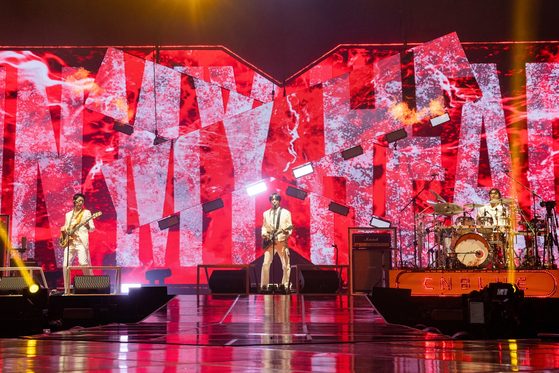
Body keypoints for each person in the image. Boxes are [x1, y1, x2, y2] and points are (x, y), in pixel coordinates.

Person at [61, 193, 95, 293]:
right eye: (78, 201)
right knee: (65, 264)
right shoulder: (68, 215)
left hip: (80, 242)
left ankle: (90, 285)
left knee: (83, 263)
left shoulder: (86, 213)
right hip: (70, 242)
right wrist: (63, 230)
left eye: (82, 201)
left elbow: (92, 228)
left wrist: (88, 226)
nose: (80, 203)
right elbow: (67, 227)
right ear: (74, 201)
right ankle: (67, 288)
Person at [261, 193, 293, 293]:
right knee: (266, 263)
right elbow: (264, 227)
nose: (274, 201)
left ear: (279, 201)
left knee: (286, 264)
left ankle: (285, 285)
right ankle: (264, 286)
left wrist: (286, 232)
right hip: (270, 241)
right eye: (272, 199)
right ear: (270, 201)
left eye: (276, 199)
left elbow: (290, 227)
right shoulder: (266, 213)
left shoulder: (286, 213)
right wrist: (264, 234)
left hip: (281, 240)